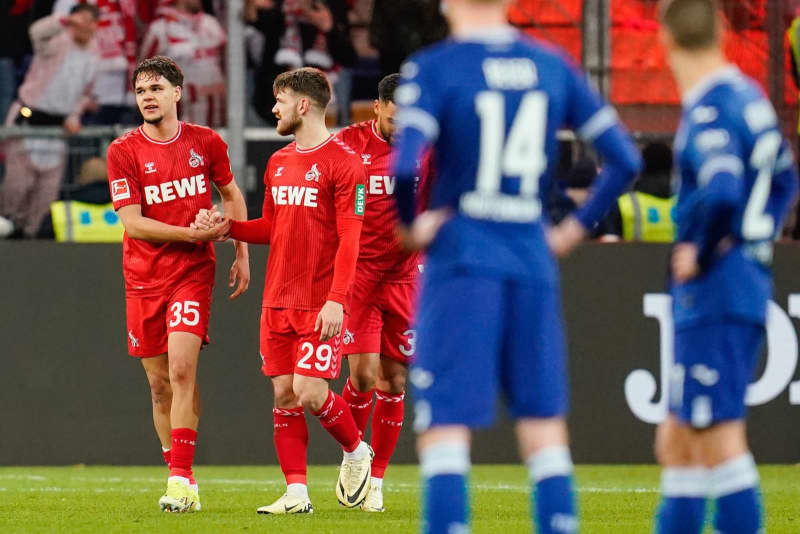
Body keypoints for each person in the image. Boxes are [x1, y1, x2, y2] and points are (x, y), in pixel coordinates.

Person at [391, 1, 643, 532]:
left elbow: (405, 167)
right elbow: (625, 159)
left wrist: (413, 224)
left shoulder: (434, 67)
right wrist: (573, 229)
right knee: (544, 429)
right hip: (531, 258)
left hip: (462, 259)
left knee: (447, 428)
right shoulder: (551, 63)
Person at [193, 67, 372, 515]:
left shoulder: (346, 163)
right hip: (276, 299)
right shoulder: (278, 162)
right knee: (284, 395)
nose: (274, 108)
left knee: (311, 392)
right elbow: (271, 226)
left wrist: (337, 300)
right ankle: (296, 494)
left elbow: (352, 238)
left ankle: (355, 451)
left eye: (280, 99)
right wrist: (227, 227)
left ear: (303, 105)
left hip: (319, 302)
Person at [653, 1, 798, 533]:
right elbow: (785, 181)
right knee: (679, 438)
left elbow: (721, 188)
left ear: (666, 42)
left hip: (717, 288)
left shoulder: (711, 106)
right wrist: (759, 236)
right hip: (742, 279)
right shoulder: (752, 99)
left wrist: (707, 248)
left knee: (715, 435)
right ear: (719, 32)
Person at [106, 55, 250, 513]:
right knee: (158, 384)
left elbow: (231, 194)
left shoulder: (205, 142)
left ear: (176, 93)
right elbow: (133, 222)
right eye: (141, 90)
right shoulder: (123, 151)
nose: (147, 97)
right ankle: (177, 469)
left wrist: (240, 250)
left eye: (155, 89)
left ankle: (181, 479)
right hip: (144, 276)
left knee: (183, 368)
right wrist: (193, 232)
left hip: (191, 270)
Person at [336, 73, 430, 512]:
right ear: (377, 108)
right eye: (393, 120)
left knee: (395, 380)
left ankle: (375, 480)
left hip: (406, 277)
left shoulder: (428, 148)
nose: (400, 128)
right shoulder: (349, 145)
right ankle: (354, 455)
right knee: (363, 376)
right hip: (361, 277)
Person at [1, 4, 100, 239]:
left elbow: (84, 93)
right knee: (18, 185)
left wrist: (74, 116)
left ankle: (30, 233)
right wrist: (64, 20)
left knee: (46, 192)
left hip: (58, 129)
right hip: (29, 120)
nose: (88, 26)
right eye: (84, 19)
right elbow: (37, 32)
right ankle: (6, 230)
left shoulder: (95, 54)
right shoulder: (58, 41)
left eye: (93, 21)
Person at [140, 0, 226, 127]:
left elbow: (226, 63)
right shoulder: (161, 28)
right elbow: (143, 75)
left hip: (218, 114)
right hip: (180, 118)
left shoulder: (211, 23)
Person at [600, 141, 676, 242]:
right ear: (672, 166)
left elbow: (609, 242)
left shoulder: (624, 204)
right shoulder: (685, 204)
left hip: (632, 258)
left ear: (642, 166)